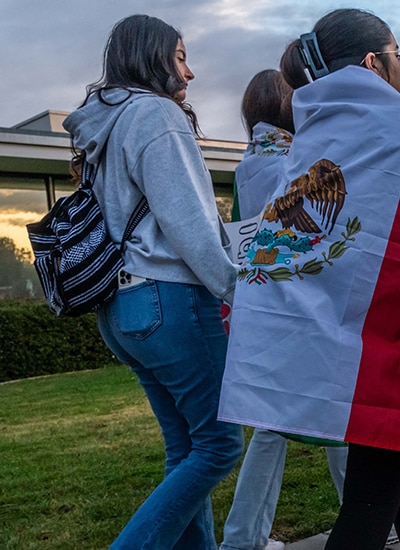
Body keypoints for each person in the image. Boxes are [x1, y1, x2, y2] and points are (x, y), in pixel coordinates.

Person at [219, 9, 400, 550]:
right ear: (375, 63)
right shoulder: (396, 126)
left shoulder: (316, 131)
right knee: (367, 513)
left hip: (353, 339)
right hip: (390, 347)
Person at [63, 14, 242, 549]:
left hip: (121, 310)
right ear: (153, 56)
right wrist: (235, 287)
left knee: (186, 449)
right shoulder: (155, 114)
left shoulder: (104, 126)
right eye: (181, 57)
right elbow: (186, 220)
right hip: (170, 298)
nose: (190, 72)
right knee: (218, 447)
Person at [220, 69, 366, 550]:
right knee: (335, 413)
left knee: (270, 426)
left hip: (263, 304)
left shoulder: (246, 166)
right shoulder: (296, 160)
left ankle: (243, 537)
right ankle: (365, 519)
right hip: (306, 301)